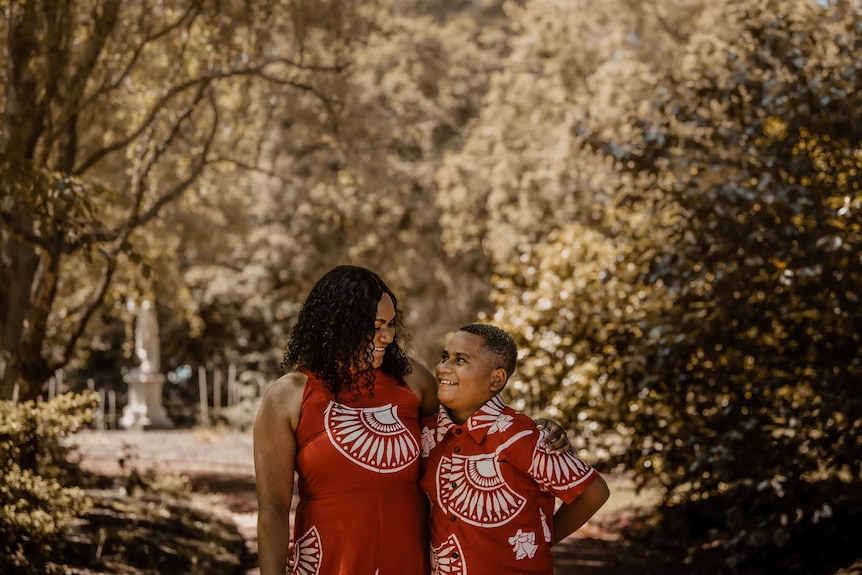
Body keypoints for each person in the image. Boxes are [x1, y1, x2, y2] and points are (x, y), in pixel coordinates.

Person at [253, 265, 573, 575]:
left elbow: (477, 426)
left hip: (409, 559)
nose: (388, 337)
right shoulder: (289, 396)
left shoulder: (411, 379)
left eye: (391, 325)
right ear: (339, 324)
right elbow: (273, 510)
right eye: (376, 326)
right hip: (328, 561)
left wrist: (537, 429)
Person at [420, 323, 610, 574]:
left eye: (460, 360)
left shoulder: (522, 435)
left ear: (496, 379)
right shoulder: (426, 433)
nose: (443, 368)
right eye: (445, 357)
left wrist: (544, 538)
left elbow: (594, 492)